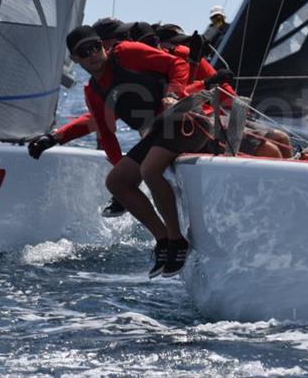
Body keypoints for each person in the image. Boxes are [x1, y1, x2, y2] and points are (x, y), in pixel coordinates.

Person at [28, 25, 212, 277]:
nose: (93, 54)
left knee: (149, 170)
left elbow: (176, 66)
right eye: (84, 52)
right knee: (117, 182)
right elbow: (106, 134)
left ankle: (176, 240)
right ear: (75, 59)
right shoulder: (93, 91)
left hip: (184, 121)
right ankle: (163, 241)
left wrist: (173, 93)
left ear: (103, 45)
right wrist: (120, 166)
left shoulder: (126, 52)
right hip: (158, 134)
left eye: (96, 47)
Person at [156, 24, 294, 158]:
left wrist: (240, 106)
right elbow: (178, 97)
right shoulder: (158, 66)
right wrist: (206, 83)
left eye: (183, 42)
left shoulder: (188, 54)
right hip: (195, 123)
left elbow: (220, 85)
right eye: (174, 44)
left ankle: (297, 179)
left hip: (217, 117)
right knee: (268, 149)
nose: (180, 47)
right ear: (161, 46)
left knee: (281, 138)